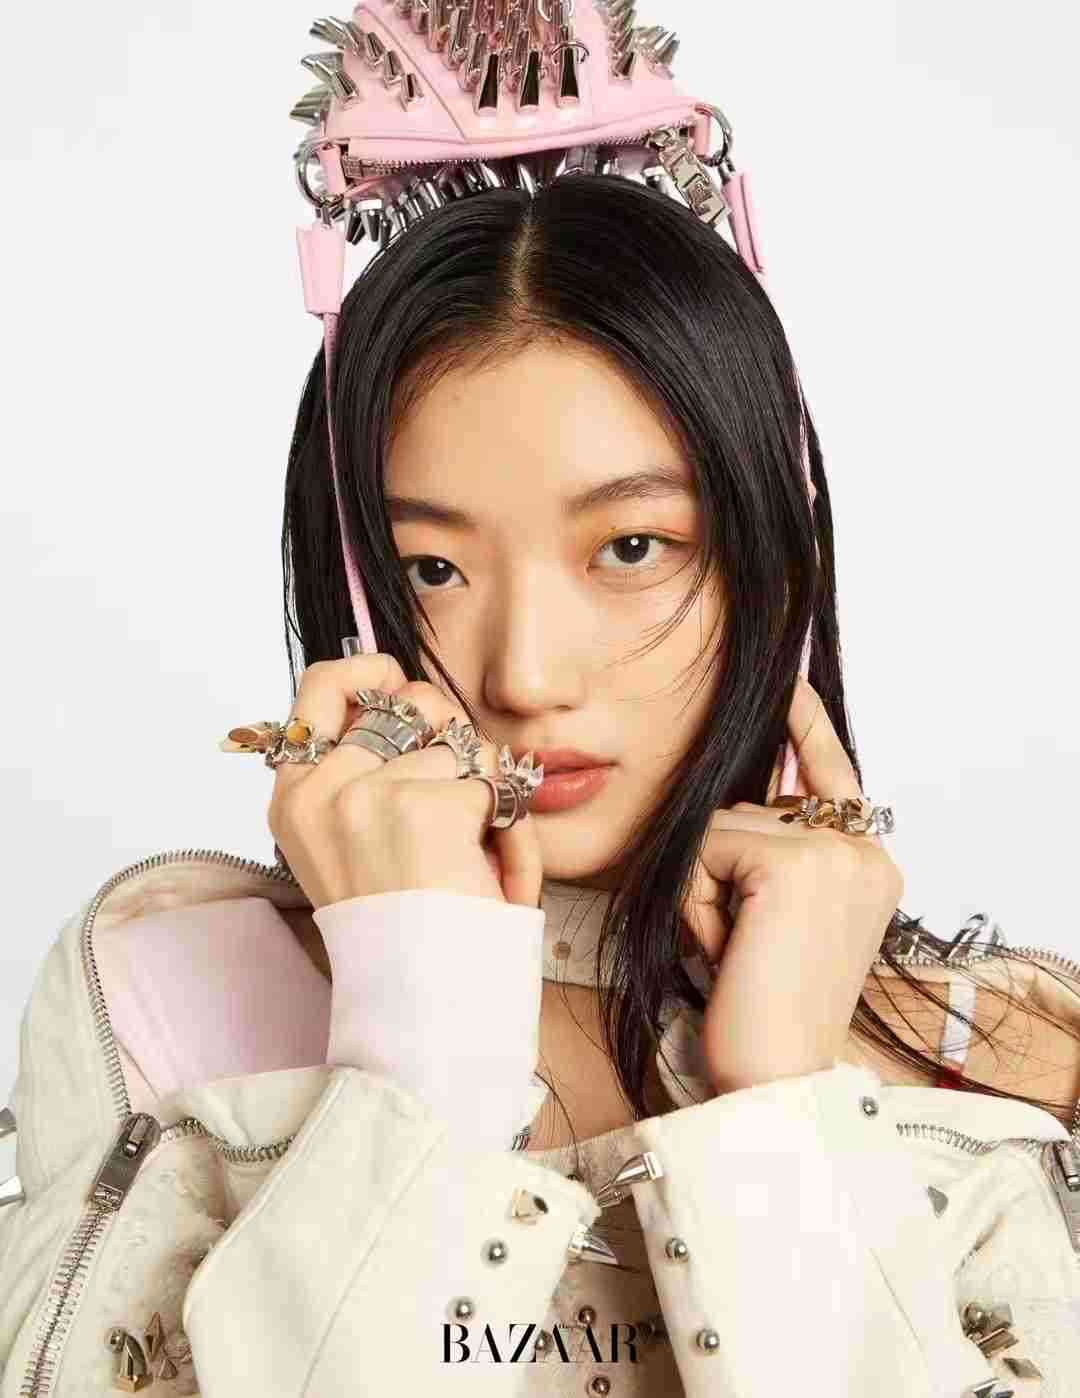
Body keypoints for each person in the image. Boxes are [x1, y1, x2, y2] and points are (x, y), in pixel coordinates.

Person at [3, 8, 1080, 1397]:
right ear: (353, 581)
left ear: (773, 562)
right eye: (433, 567)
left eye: (630, 548)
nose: (523, 674)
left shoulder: (996, 1054)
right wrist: (417, 1045)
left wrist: (783, 1100)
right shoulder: (169, 988)